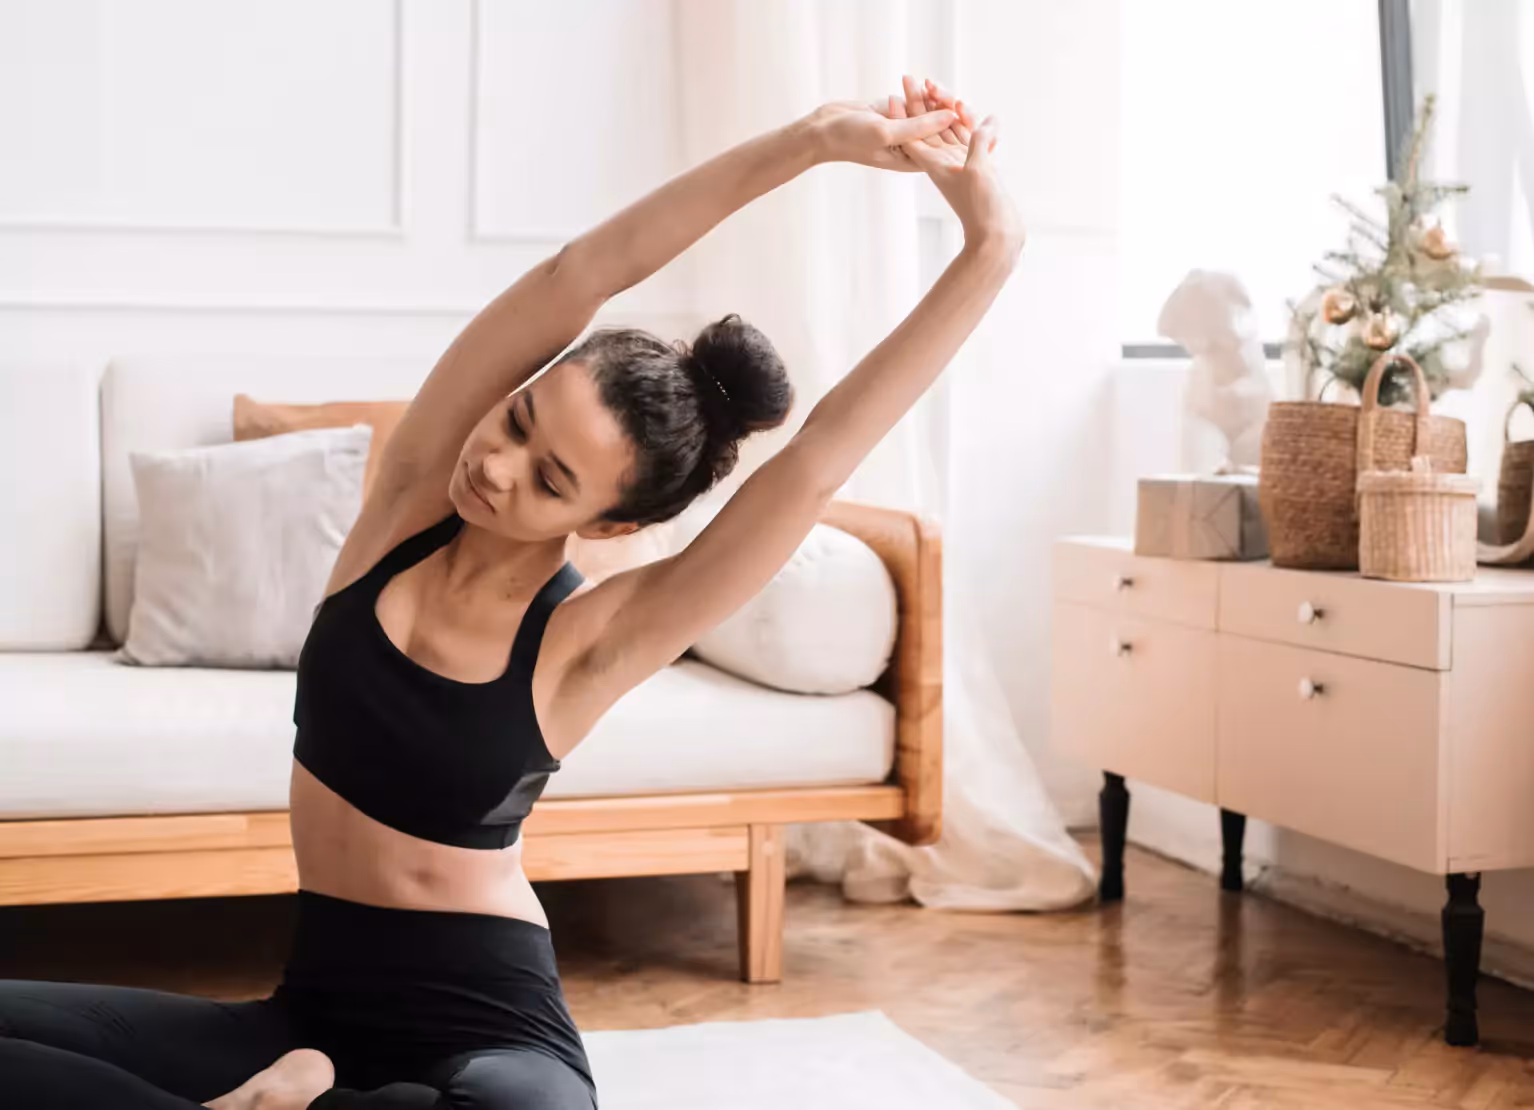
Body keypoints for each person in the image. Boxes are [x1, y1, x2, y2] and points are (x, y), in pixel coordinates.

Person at [0, 76, 1021, 1109]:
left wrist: (990, 248)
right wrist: (813, 139)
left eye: (550, 480)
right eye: (519, 418)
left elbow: (815, 462)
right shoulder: (405, 504)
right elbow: (583, 272)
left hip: (483, 1036)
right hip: (306, 1017)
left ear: (608, 524)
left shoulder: (591, 642)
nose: (495, 465)